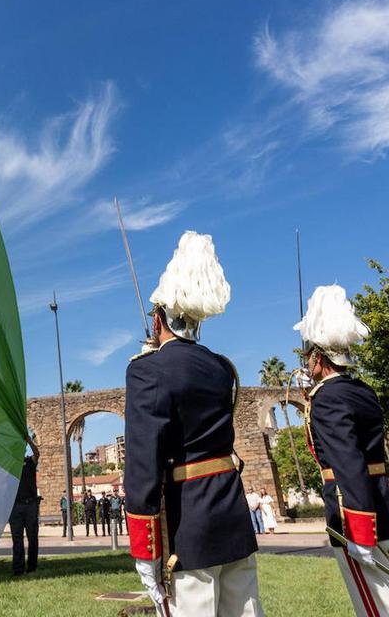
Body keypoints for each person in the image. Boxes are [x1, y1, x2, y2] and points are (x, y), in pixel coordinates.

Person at [124, 231, 263, 616]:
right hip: (232, 517)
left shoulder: (146, 372)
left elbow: (143, 463)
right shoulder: (222, 368)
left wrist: (145, 549)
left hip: (187, 527)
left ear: (157, 319)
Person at [296, 284, 389, 617]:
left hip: (355, 513)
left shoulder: (326, 398)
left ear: (319, 358)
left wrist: (358, 528)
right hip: (386, 505)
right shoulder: (362, 390)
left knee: (380, 608)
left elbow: (347, 461)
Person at [8, 440, 41, 575]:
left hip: (30, 505)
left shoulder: (29, 462)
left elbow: (37, 453)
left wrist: (28, 439)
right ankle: (18, 568)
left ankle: (32, 567)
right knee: (17, 538)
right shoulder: (10, 466)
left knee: (32, 537)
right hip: (15, 506)